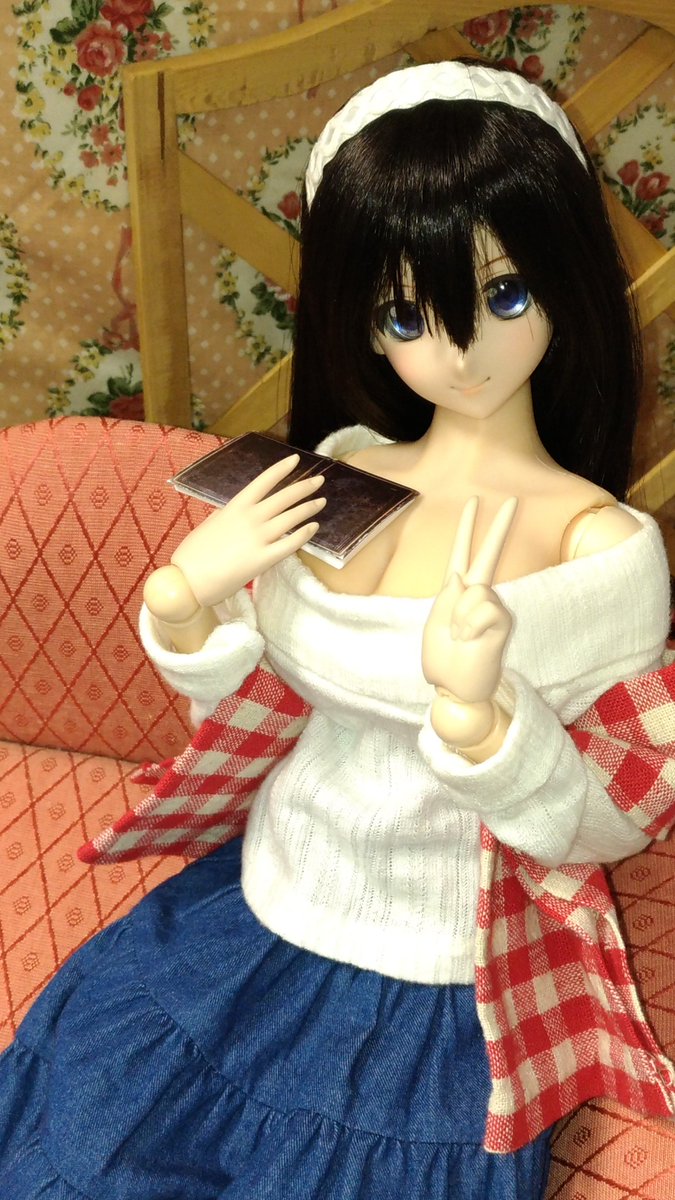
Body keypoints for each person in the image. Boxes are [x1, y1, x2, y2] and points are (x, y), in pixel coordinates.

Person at [1, 59, 673, 1199]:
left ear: (568, 277)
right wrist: (188, 602)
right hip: (258, 903)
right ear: (365, 320)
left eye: (505, 295)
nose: (459, 352)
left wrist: (486, 722)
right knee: (90, 1127)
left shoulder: (599, 550)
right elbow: (255, 713)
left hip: (439, 973)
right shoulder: (343, 474)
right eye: (409, 314)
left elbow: (605, 820)